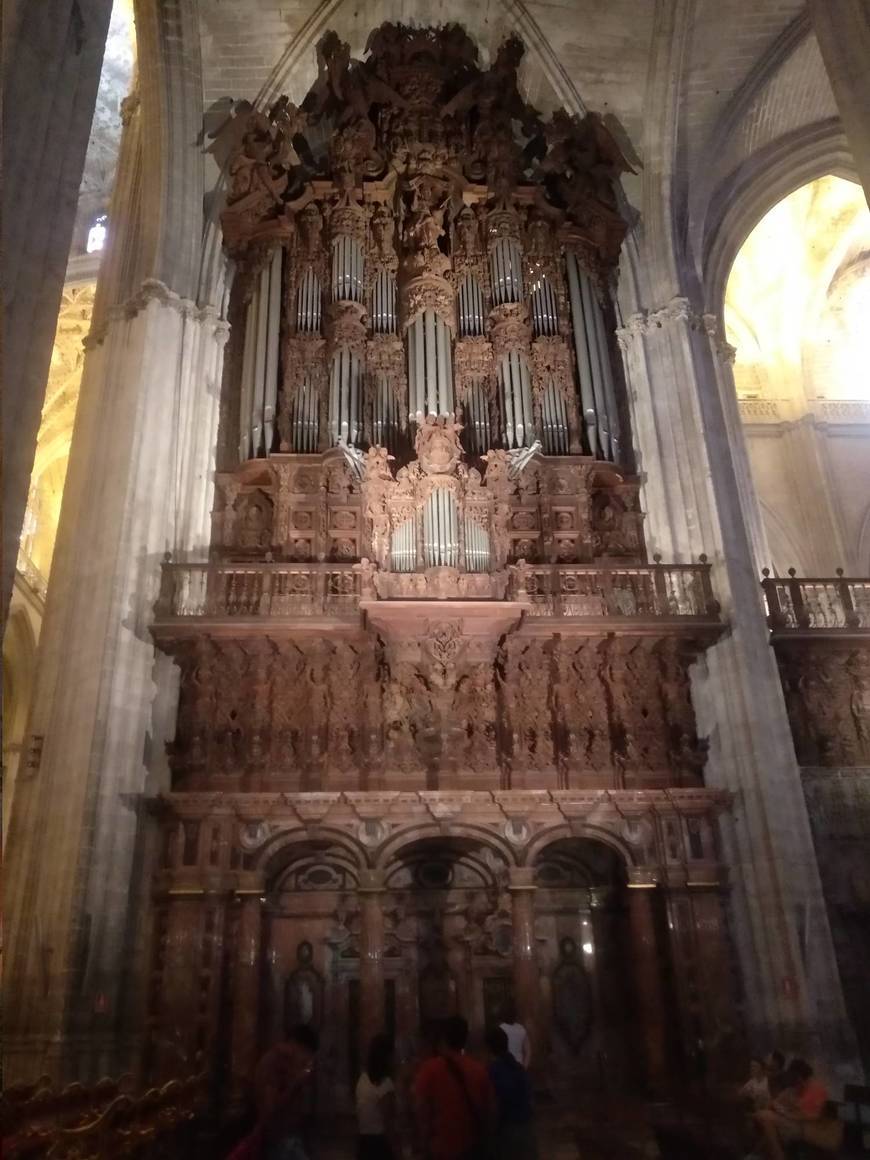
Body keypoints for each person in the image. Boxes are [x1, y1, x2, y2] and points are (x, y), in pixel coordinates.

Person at [229, 1024, 319, 1160]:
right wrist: (296, 1083)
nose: (305, 1060)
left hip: (285, 1138)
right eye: (305, 1053)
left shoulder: (285, 1063)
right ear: (296, 1045)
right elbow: (270, 1108)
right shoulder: (274, 1064)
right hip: (277, 1140)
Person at [414, 1015, 496, 1160]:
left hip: (441, 1149)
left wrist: (424, 1146)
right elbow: (489, 1112)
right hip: (471, 1148)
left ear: (443, 1039)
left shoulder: (429, 1069)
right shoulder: (479, 1070)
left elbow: (422, 1112)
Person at [752, 1058, 841, 1159]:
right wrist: (779, 1106)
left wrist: (789, 1114)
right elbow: (776, 1101)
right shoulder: (793, 1089)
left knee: (764, 1116)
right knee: (764, 1118)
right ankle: (773, 1155)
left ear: (801, 1076)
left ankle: (775, 1156)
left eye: (797, 1078)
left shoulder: (816, 1089)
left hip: (804, 1127)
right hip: (792, 1122)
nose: (797, 1083)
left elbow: (814, 1116)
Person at [485, 1025, 537, 1160]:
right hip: (527, 1128)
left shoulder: (493, 1072)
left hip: (508, 1130)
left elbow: (493, 1105)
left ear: (489, 1048)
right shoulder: (518, 1068)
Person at [357, 1033, 398, 1160]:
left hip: (363, 1142)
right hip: (379, 1144)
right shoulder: (385, 1085)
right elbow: (389, 1123)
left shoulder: (362, 1079)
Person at [498, 1002, 531, 1069]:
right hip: (519, 1065)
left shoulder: (500, 1029)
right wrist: (524, 1067)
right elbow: (528, 1051)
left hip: (505, 1067)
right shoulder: (521, 1029)